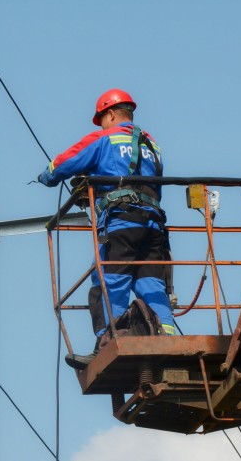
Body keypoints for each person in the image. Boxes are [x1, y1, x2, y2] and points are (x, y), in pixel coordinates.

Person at [37, 89, 176, 369]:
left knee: (108, 280)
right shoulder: (153, 146)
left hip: (121, 222)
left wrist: (45, 176)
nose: (101, 125)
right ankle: (168, 339)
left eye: (101, 120)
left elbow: (63, 164)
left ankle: (107, 343)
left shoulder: (105, 139)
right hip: (154, 226)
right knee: (152, 284)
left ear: (110, 114)